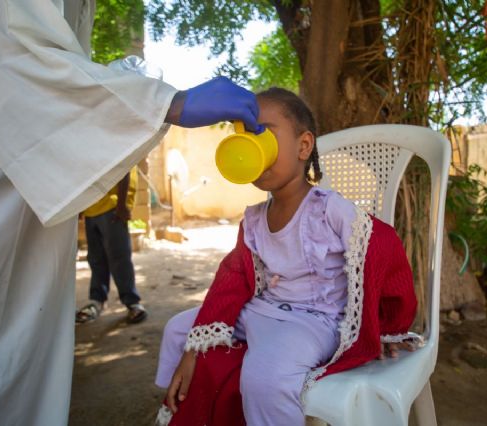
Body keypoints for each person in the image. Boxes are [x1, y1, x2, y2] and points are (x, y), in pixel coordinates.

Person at [0, 1, 264, 425]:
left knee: (18, 367)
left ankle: (127, 300)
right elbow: (6, 53)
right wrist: (166, 104)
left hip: (34, 193)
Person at [154, 88, 420, 426]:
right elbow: (233, 278)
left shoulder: (330, 210)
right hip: (263, 310)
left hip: (312, 322)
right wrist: (195, 344)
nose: (254, 146)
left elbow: (384, 249)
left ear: (304, 146)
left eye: (263, 132)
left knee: (265, 377)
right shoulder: (253, 219)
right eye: (246, 135)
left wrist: (387, 327)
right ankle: (183, 408)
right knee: (177, 330)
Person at [75, 166, 147, 324]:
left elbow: (124, 168)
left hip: (113, 206)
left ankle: (132, 302)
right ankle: (97, 301)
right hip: (91, 208)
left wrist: (121, 205)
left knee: (119, 258)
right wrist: (81, 206)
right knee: (95, 259)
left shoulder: (118, 141)